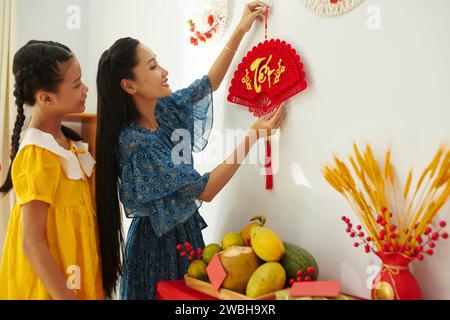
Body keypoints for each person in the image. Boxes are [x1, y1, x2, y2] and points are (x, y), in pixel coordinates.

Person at [96, 1, 285, 299]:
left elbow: (208, 83)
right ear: (130, 86)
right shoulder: (136, 145)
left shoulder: (165, 110)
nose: (164, 71)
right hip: (155, 252)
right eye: (153, 66)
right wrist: (252, 136)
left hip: (187, 238)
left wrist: (240, 28)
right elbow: (205, 190)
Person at [0, 40, 103, 300]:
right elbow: (32, 243)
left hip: (73, 274)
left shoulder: (68, 144)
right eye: (77, 83)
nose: (85, 89)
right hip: (48, 288)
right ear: (46, 97)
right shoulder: (38, 154)